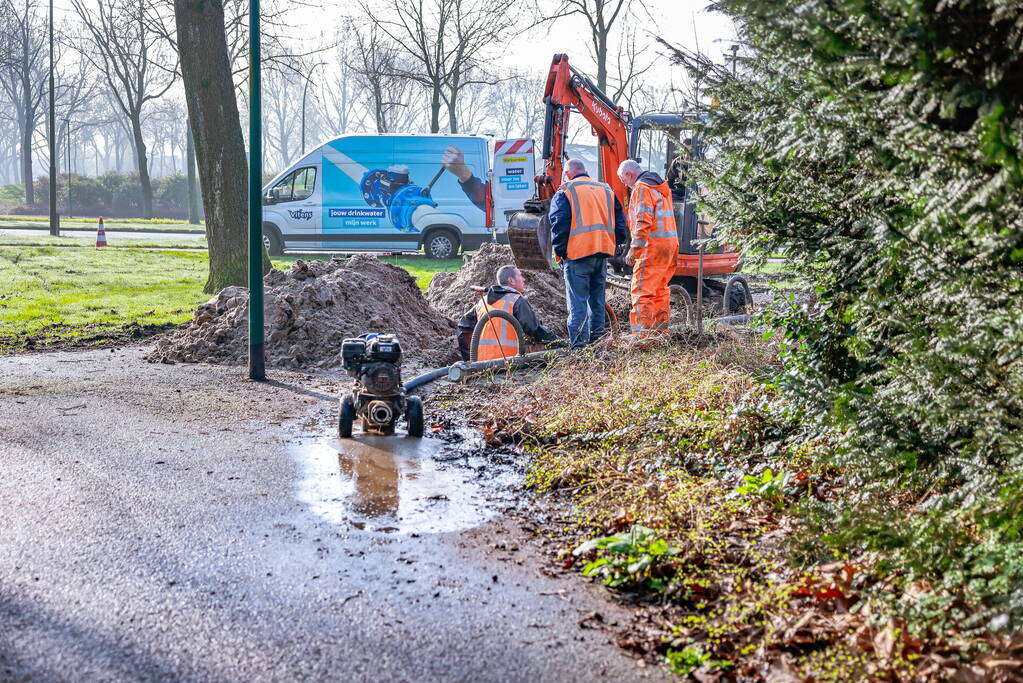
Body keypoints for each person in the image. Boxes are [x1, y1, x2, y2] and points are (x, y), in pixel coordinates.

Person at [547, 159, 628, 347]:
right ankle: (597, 346)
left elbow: (559, 225)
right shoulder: (606, 190)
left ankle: (580, 351)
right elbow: (621, 223)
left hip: (577, 256)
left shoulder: (566, 192)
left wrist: (560, 253)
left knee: (578, 306)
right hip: (601, 254)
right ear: (585, 171)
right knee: (597, 304)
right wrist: (614, 245)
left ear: (568, 173)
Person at [617, 159, 679, 336]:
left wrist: (634, 250)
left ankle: (642, 338)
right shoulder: (659, 187)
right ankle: (659, 334)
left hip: (652, 248)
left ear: (629, 174)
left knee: (642, 292)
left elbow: (643, 222)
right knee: (659, 291)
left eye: (623, 179)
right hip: (669, 247)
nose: (624, 184)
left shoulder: (642, 188)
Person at [456, 265, 558, 361]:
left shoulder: (483, 302)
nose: (524, 279)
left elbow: (462, 327)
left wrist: (469, 359)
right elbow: (533, 329)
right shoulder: (517, 301)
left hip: (482, 364)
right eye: (520, 276)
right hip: (509, 362)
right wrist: (559, 342)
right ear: (511, 280)